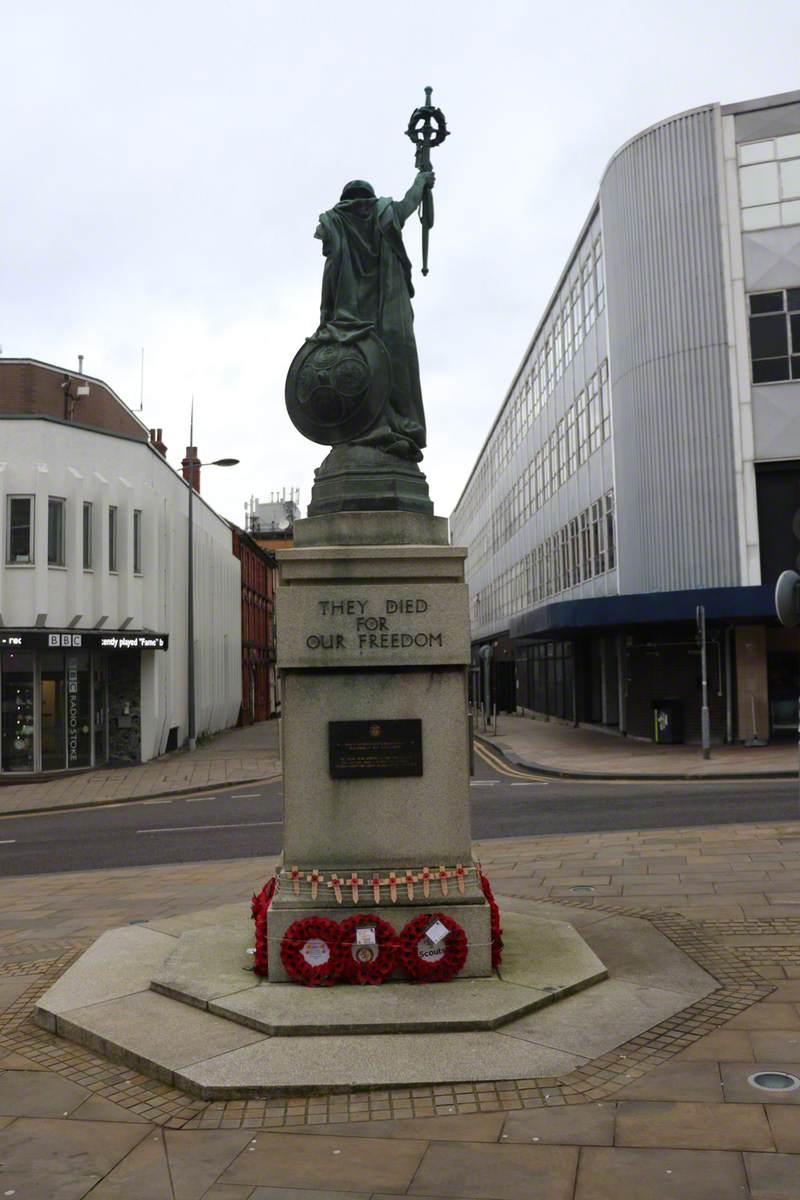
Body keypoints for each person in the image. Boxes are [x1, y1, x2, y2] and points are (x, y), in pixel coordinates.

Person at [313, 171, 434, 463]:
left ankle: (357, 429)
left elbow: (330, 274)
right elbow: (408, 204)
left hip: (349, 315)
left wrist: (325, 315)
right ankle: (393, 425)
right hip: (387, 310)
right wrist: (421, 181)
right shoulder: (384, 212)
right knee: (392, 363)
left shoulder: (334, 221)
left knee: (355, 368)